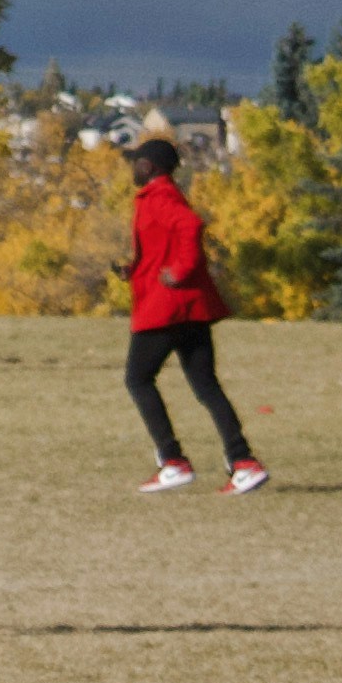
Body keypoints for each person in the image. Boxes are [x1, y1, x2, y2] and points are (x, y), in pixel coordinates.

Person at [122, 139, 263, 493]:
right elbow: (163, 243)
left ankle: (173, 461)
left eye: (136, 162)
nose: (132, 168)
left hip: (167, 308)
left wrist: (180, 269)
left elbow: (190, 225)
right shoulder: (162, 194)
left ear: (150, 167)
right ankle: (244, 462)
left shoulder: (159, 196)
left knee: (138, 379)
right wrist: (134, 268)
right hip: (190, 308)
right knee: (206, 386)